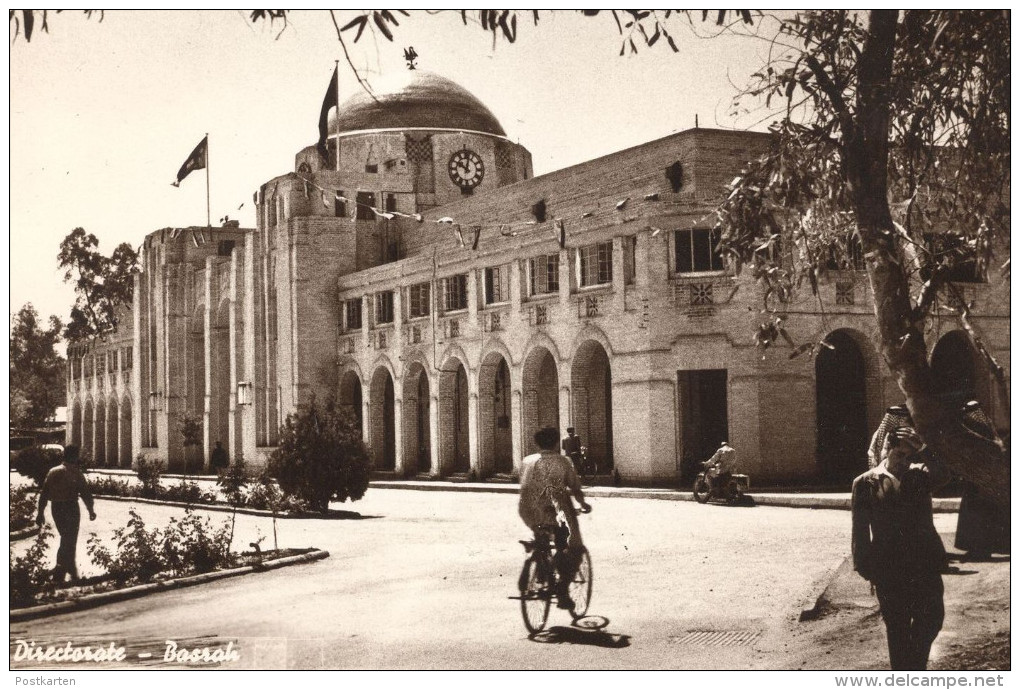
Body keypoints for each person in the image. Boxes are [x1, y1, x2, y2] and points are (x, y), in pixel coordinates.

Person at [851, 427, 949, 670]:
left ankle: (912, 668)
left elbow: (946, 474)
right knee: (897, 630)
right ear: (886, 450)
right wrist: (867, 569)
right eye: (899, 455)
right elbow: (860, 532)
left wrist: (924, 450)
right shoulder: (865, 483)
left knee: (932, 619)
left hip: (924, 565)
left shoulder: (920, 477)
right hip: (889, 570)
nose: (904, 462)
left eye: (909, 456)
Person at [519, 427, 592, 611]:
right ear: (555, 443)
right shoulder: (563, 461)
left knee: (542, 536)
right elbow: (575, 487)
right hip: (555, 510)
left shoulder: (527, 461)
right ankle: (562, 591)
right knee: (572, 548)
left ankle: (540, 562)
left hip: (527, 511)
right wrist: (583, 505)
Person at [36, 444, 96, 585]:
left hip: (56, 508)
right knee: (70, 538)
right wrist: (91, 510)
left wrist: (40, 513)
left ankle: (66, 567)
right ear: (74, 457)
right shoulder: (76, 473)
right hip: (70, 507)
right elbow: (86, 493)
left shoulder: (53, 471)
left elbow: (44, 493)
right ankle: (61, 569)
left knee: (66, 536)